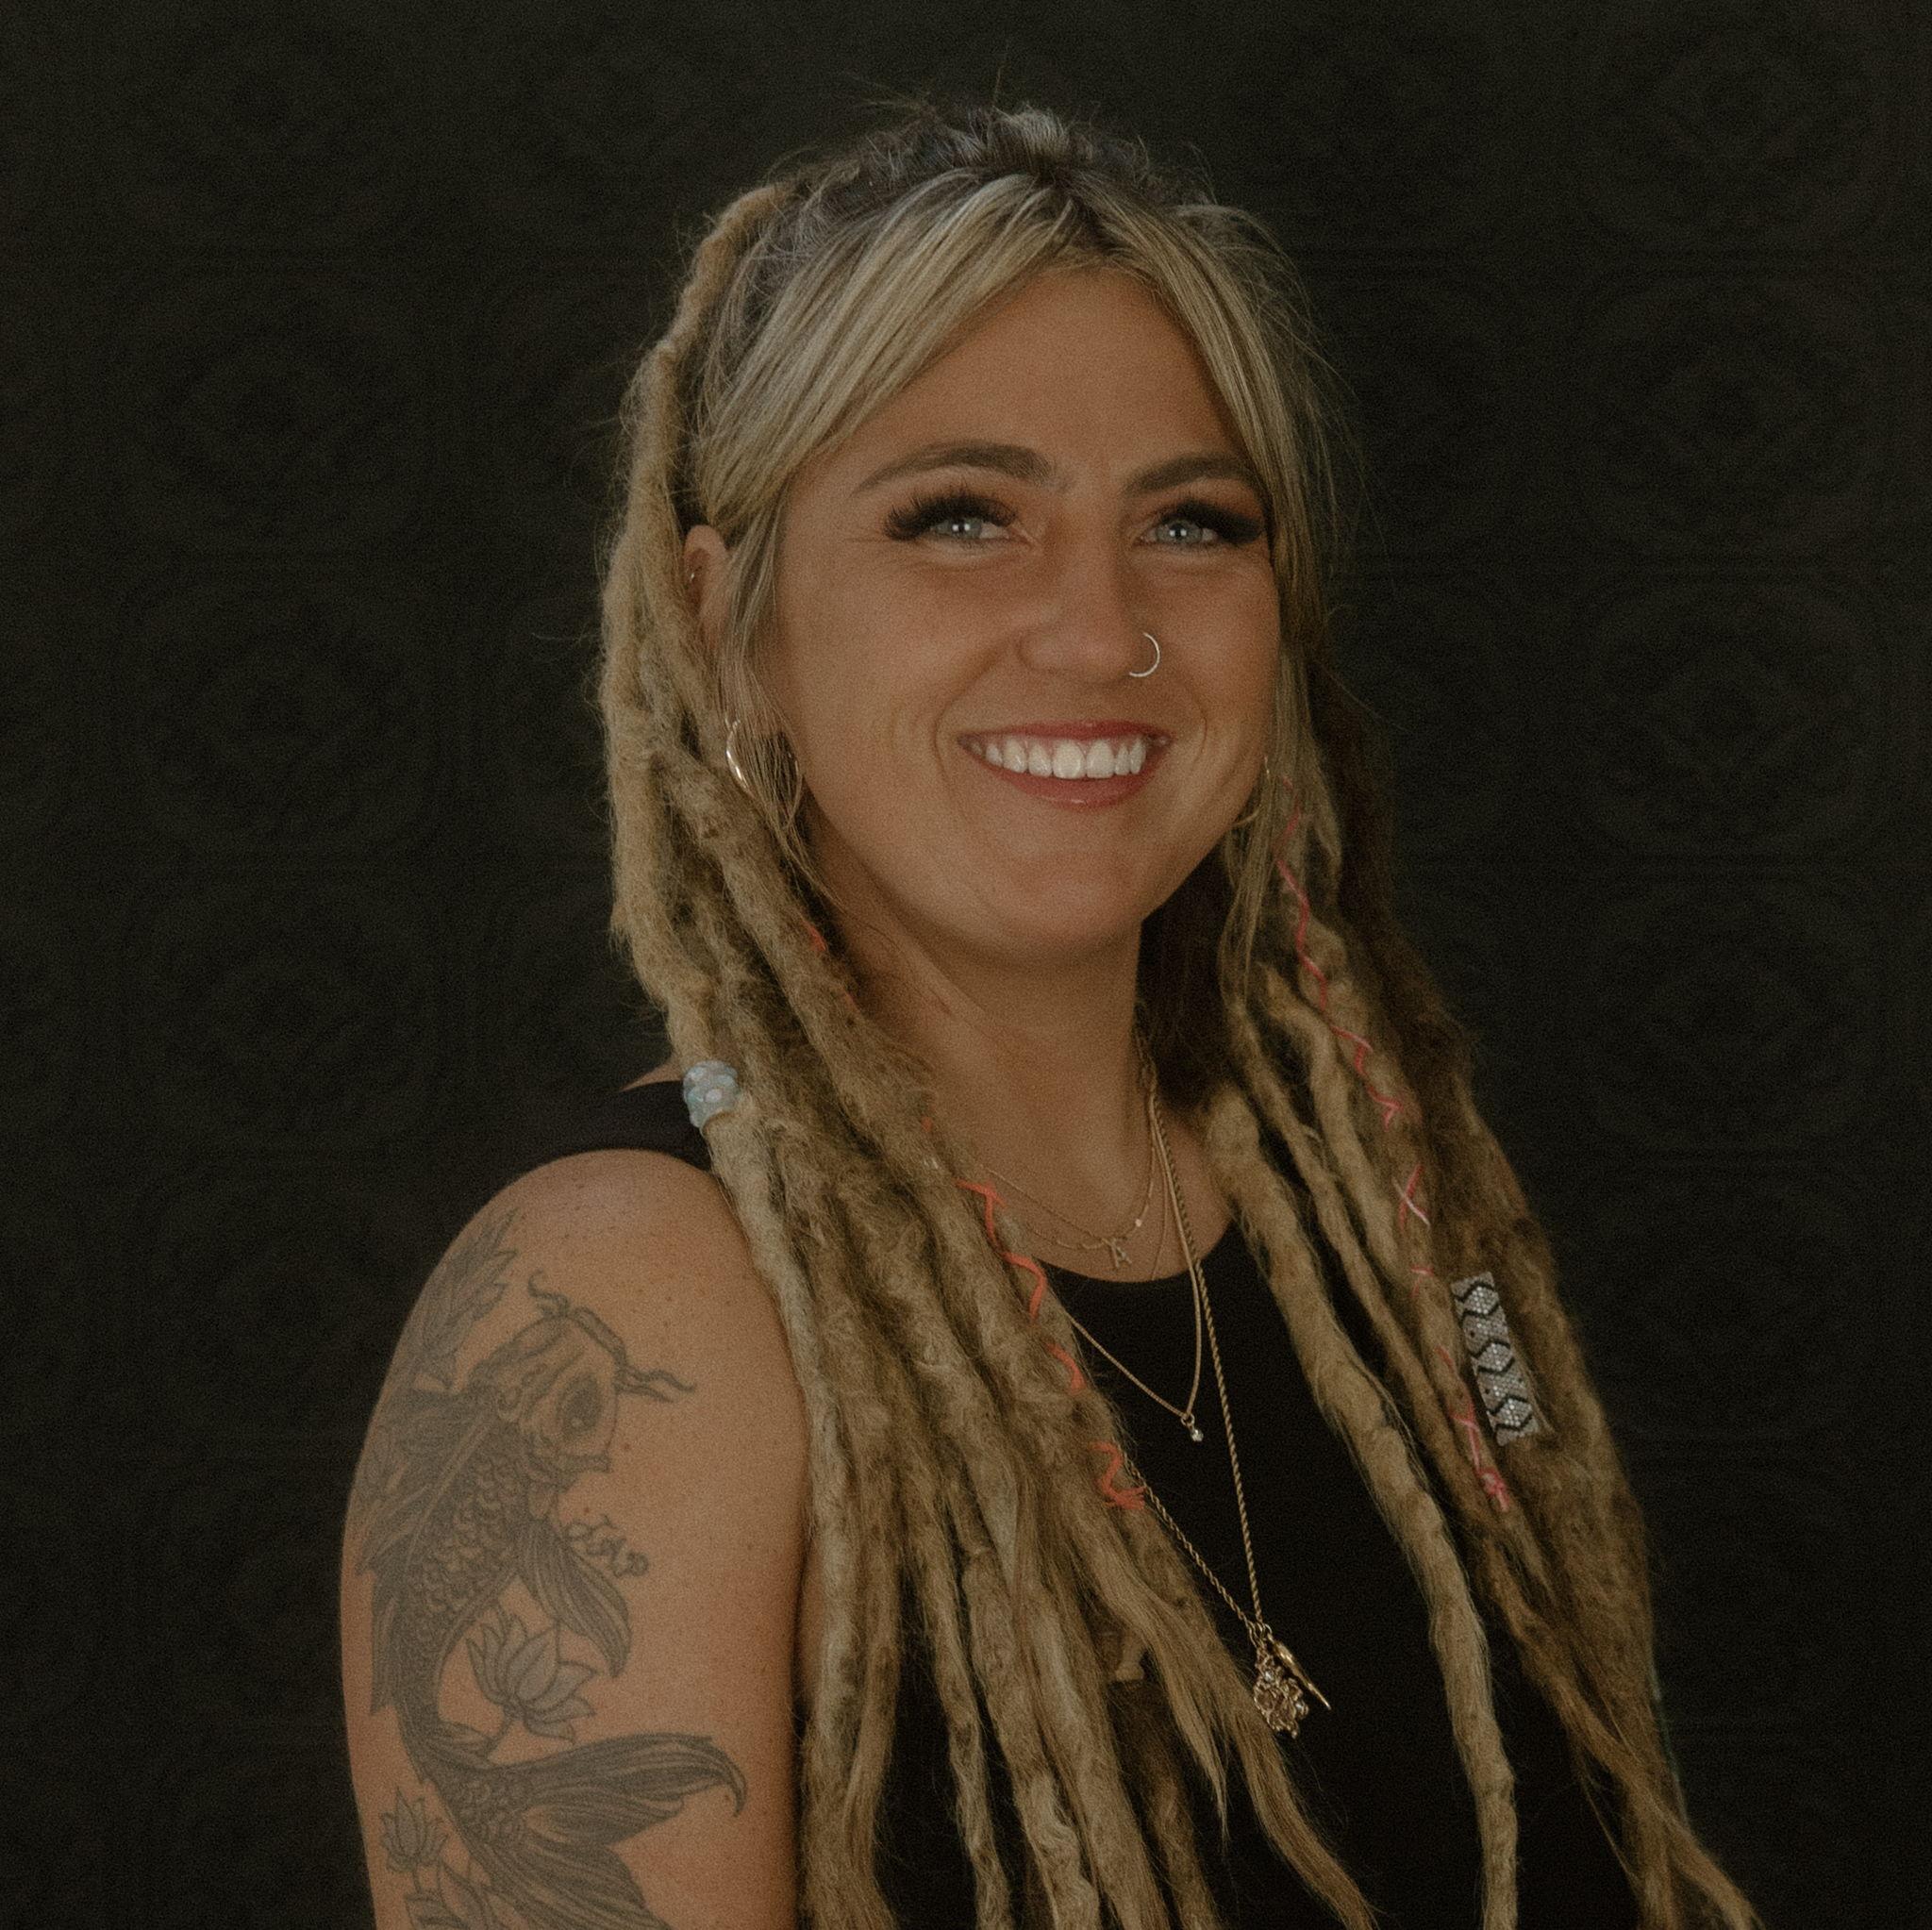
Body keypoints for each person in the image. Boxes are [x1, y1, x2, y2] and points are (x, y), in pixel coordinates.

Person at [339, 96, 1760, 1930]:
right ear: (729, 629)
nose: (1098, 630)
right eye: (960, 517)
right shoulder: (632, 1289)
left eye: (1191, 522)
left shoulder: (1397, 1228)